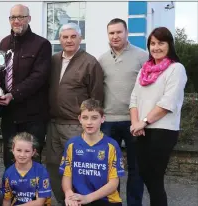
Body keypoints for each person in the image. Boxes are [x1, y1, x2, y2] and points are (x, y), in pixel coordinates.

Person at [46, 22, 104, 205]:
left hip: (75, 125)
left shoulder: (90, 62)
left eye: (73, 36)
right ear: (59, 39)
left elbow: (97, 98)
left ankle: (81, 202)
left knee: (78, 169)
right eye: (65, 37)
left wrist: (90, 125)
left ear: (80, 38)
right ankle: (64, 202)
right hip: (53, 124)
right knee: (54, 167)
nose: (69, 40)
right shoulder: (53, 60)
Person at [129, 27, 187, 206]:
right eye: (152, 43)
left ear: (169, 45)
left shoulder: (176, 69)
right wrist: (135, 123)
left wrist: (143, 122)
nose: (156, 47)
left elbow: (167, 103)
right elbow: (134, 99)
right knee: (145, 174)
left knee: (155, 178)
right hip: (142, 130)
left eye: (161, 43)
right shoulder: (145, 70)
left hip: (163, 130)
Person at [0, 4, 51, 169]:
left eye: (21, 17)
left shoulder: (42, 44)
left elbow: (39, 77)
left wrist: (13, 94)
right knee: (9, 160)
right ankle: (9, 194)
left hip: (33, 116)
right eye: (13, 17)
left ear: (29, 19)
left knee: (31, 162)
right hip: (9, 115)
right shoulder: (4, 43)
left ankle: (33, 195)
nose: (17, 21)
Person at [98, 18, 148, 206]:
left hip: (133, 122)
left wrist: (143, 120)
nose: (115, 36)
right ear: (108, 35)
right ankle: (113, 202)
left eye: (119, 32)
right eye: (111, 33)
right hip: (109, 121)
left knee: (136, 168)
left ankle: (134, 203)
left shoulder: (142, 57)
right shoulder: (102, 59)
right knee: (110, 169)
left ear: (126, 33)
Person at [60, 99, 125, 206]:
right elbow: (67, 175)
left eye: (94, 118)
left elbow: (114, 183)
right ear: (80, 119)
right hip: (79, 198)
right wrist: (68, 193)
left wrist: (88, 198)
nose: (89, 122)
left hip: (106, 200)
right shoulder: (72, 144)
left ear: (103, 119)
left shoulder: (111, 146)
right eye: (85, 118)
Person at [1, 132, 52, 206]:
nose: (22, 155)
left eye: (27, 151)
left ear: (33, 152)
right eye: (19, 150)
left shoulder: (41, 172)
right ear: (13, 150)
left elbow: (40, 202)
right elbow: (6, 200)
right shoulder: (8, 173)